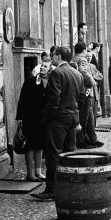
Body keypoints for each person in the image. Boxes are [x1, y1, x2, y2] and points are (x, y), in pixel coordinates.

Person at [32, 46, 84, 200]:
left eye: (53, 55)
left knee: (53, 154)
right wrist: (74, 112)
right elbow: (81, 97)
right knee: (70, 153)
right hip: (72, 117)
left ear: (59, 56)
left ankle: (52, 189)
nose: (51, 57)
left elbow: (54, 98)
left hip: (59, 119)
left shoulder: (57, 73)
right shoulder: (77, 73)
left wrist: (48, 117)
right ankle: (70, 186)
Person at [16, 61, 51, 181]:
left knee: (40, 145)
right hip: (30, 118)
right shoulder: (31, 81)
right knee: (30, 145)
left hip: (43, 119)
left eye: (45, 66)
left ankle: (38, 172)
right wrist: (20, 117)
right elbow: (22, 100)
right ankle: (30, 173)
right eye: (42, 66)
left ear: (50, 69)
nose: (42, 67)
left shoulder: (51, 82)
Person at [71, 43, 101, 149]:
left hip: (79, 90)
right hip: (85, 90)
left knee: (88, 116)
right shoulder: (82, 60)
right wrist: (93, 82)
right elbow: (83, 72)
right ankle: (81, 140)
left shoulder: (73, 58)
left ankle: (91, 139)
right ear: (84, 50)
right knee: (84, 116)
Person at [86, 50, 104, 126]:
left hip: (95, 90)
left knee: (94, 109)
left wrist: (92, 77)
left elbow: (100, 76)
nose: (88, 58)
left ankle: (93, 126)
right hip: (89, 91)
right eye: (87, 56)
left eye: (90, 56)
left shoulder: (93, 66)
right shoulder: (84, 66)